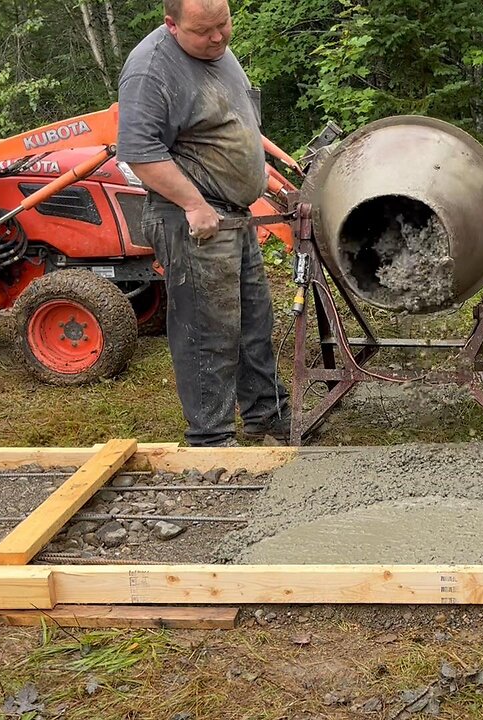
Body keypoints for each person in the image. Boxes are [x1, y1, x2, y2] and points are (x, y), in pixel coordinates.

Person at [116, 0, 290, 447]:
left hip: (234, 214)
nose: (217, 38)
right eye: (204, 31)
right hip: (193, 218)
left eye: (224, 25)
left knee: (254, 322)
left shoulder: (218, 52)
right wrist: (193, 204)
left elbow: (230, 122)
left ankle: (265, 417)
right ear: (171, 25)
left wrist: (260, 173)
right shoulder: (150, 71)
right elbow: (139, 151)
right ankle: (210, 439)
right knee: (207, 331)